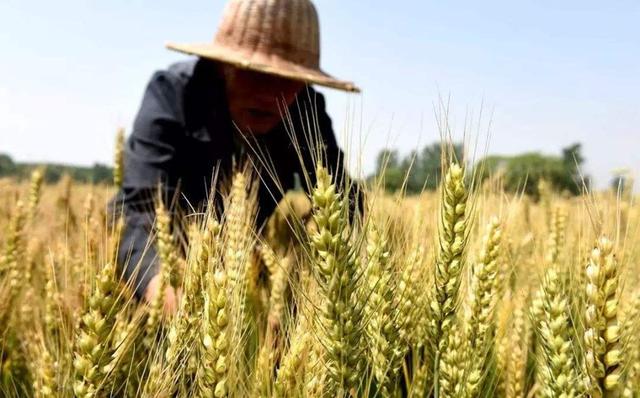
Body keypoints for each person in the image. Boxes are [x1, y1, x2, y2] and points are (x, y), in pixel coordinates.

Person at [113, 0, 361, 312]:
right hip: (164, 281)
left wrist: (310, 273)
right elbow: (137, 212)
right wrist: (164, 291)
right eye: (255, 73)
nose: (269, 94)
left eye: (288, 79)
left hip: (245, 284)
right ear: (223, 64)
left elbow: (343, 200)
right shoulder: (173, 95)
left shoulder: (306, 111)